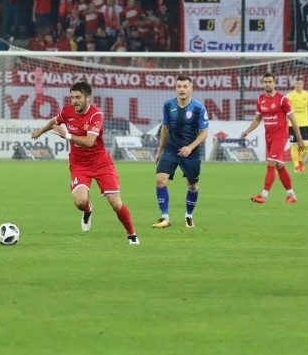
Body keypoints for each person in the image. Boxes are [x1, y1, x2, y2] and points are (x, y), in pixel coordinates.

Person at [31, 81, 140, 244]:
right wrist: (40, 130)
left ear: (88, 97)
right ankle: (88, 210)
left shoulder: (96, 115)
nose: (74, 101)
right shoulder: (66, 111)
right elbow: (55, 120)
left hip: (101, 163)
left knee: (116, 203)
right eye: (72, 97)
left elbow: (89, 141)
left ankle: (132, 235)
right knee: (80, 202)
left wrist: (67, 135)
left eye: (78, 97)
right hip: (79, 164)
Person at [152, 75, 209, 229]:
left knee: (192, 185)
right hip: (171, 149)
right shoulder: (168, 105)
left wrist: (190, 147)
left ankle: (189, 216)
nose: (182, 89)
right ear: (175, 88)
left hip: (191, 153)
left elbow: (204, 132)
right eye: (179, 86)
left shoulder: (199, 108)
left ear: (191, 88)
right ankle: (164, 218)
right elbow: (165, 128)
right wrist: (159, 150)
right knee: (160, 179)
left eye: (185, 86)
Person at [241, 72, 304, 204]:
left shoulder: (282, 99)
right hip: (268, 137)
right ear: (263, 83)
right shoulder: (260, 100)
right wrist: (247, 131)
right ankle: (291, 195)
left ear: (274, 83)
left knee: (270, 164)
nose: (268, 84)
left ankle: (263, 196)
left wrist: (299, 140)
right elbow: (258, 119)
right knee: (279, 166)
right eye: (266, 82)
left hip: (280, 136)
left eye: (270, 81)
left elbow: (293, 120)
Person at [286, 76, 308, 173]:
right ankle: (297, 166)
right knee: (294, 145)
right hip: (292, 124)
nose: (298, 86)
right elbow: (285, 110)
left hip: (304, 124)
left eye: (300, 84)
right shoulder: (289, 96)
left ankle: (300, 160)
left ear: (303, 84)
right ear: (294, 85)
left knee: (306, 145)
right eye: (296, 84)